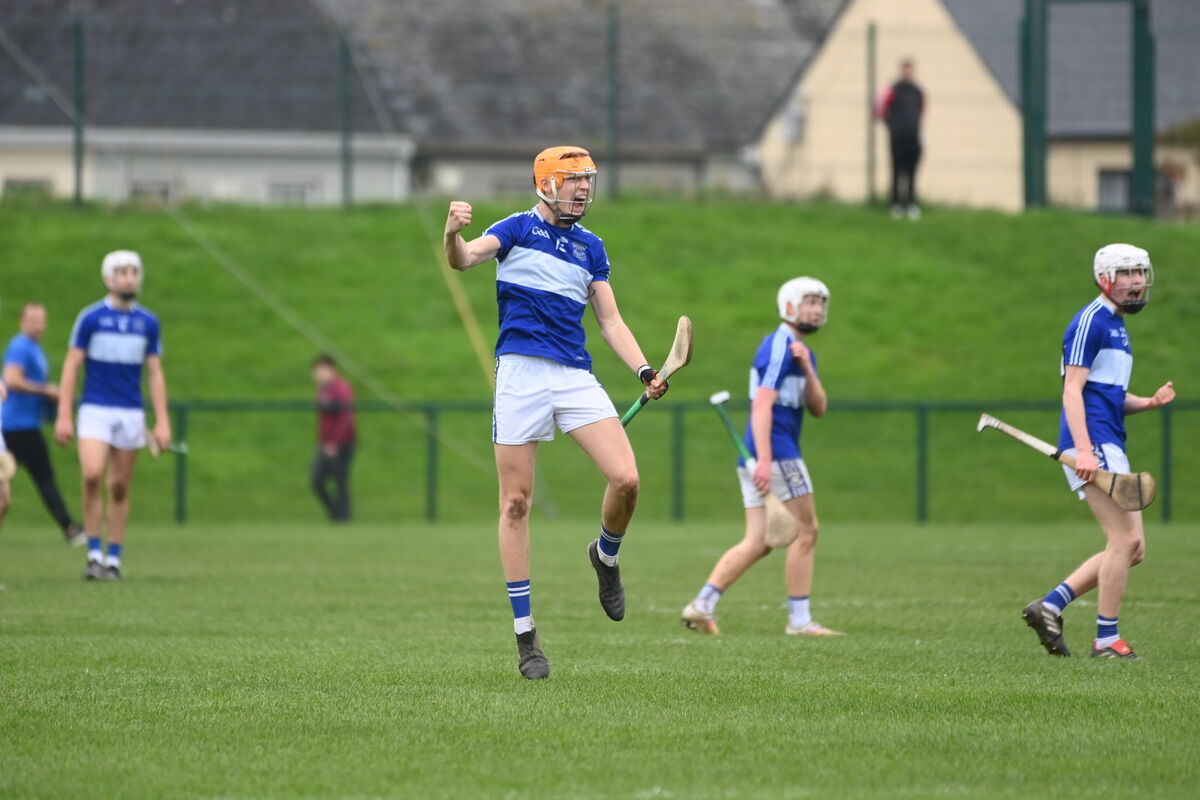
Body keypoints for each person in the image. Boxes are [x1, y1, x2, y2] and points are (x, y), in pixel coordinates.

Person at [443, 145, 667, 680]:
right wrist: (451, 232)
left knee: (627, 479)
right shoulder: (517, 229)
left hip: (573, 377)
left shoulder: (591, 248)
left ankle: (605, 557)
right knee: (516, 504)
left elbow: (610, 321)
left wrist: (643, 370)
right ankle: (526, 638)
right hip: (520, 375)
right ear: (546, 183)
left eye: (587, 180)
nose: (583, 189)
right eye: (573, 181)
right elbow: (464, 259)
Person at [1022, 244, 1174, 660]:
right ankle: (1107, 640)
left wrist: (1147, 403)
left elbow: (1108, 394)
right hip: (1093, 443)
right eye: (1127, 273)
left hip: (1109, 440)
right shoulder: (1091, 321)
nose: (1137, 281)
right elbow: (1072, 389)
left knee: (1133, 548)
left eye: (1141, 273)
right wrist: (1085, 451)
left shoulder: (1118, 327)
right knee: (1123, 540)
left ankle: (1050, 605)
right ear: (1105, 278)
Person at [681, 278, 841, 638]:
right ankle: (800, 621)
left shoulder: (800, 352)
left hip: (762, 454)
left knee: (759, 541)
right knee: (806, 531)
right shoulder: (779, 346)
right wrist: (766, 461)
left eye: (820, 302)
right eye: (810, 302)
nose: (816, 308)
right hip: (776, 452)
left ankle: (701, 605)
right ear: (789, 306)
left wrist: (809, 369)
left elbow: (819, 408)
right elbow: (762, 405)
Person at [55, 250, 171, 581]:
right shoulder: (91, 318)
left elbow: (155, 374)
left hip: (131, 411)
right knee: (92, 474)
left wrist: (162, 421)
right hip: (95, 408)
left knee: (119, 485)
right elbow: (72, 364)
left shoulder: (147, 322)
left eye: (134, 272)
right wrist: (64, 414)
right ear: (108, 278)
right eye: (122, 272)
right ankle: (93, 553)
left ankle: (114, 558)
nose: (129, 278)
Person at [2, 302, 85, 545]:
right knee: (43, 479)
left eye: (41, 319)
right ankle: (70, 528)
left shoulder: (35, 349)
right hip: (15, 427)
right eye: (32, 319)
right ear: (21, 321)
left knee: (36, 480)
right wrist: (46, 391)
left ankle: (70, 528)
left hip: (25, 425)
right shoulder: (19, 346)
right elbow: (13, 380)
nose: (37, 324)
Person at [876, 58, 925, 220]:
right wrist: (892, 126)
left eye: (910, 70)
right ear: (901, 71)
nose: (908, 73)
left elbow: (922, 112)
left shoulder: (918, 92)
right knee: (897, 171)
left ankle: (910, 204)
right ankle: (895, 204)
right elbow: (879, 110)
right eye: (905, 70)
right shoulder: (893, 90)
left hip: (913, 137)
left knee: (912, 173)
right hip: (897, 138)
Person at [311, 354, 356, 523]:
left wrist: (335, 442)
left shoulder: (341, 388)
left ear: (332, 370)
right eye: (316, 371)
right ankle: (335, 513)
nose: (318, 374)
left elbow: (346, 417)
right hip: (324, 443)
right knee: (316, 481)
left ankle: (343, 518)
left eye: (322, 370)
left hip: (343, 442)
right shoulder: (322, 390)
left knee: (340, 480)